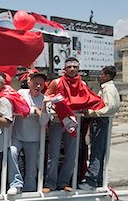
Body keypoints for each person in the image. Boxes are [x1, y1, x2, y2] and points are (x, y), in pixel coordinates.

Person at [44, 57, 104, 193]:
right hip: (57, 122)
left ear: (78, 68)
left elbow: (88, 99)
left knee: (71, 155)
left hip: (73, 122)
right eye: (69, 67)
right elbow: (46, 97)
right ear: (65, 68)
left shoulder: (82, 83)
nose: (72, 69)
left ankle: (64, 182)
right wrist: (55, 105)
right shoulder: (56, 82)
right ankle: (50, 184)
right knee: (53, 155)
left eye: (75, 67)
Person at [79, 66, 120, 190]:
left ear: (107, 76)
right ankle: (99, 179)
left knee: (97, 151)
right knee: (99, 151)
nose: (100, 76)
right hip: (101, 121)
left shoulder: (108, 89)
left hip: (101, 121)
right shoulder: (108, 88)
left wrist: (92, 112)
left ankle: (91, 180)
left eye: (102, 74)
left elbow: (108, 107)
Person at [9, 73, 49, 192]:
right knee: (12, 152)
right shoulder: (21, 93)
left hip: (34, 138)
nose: (38, 86)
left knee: (31, 168)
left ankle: (30, 189)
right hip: (17, 135)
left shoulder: (44, 99)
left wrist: (44, 108)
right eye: (35, 83)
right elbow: (17, 108)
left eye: (41, 84)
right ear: (29, 83)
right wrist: (34, 110)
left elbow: (44, 121)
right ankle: (16, 184)